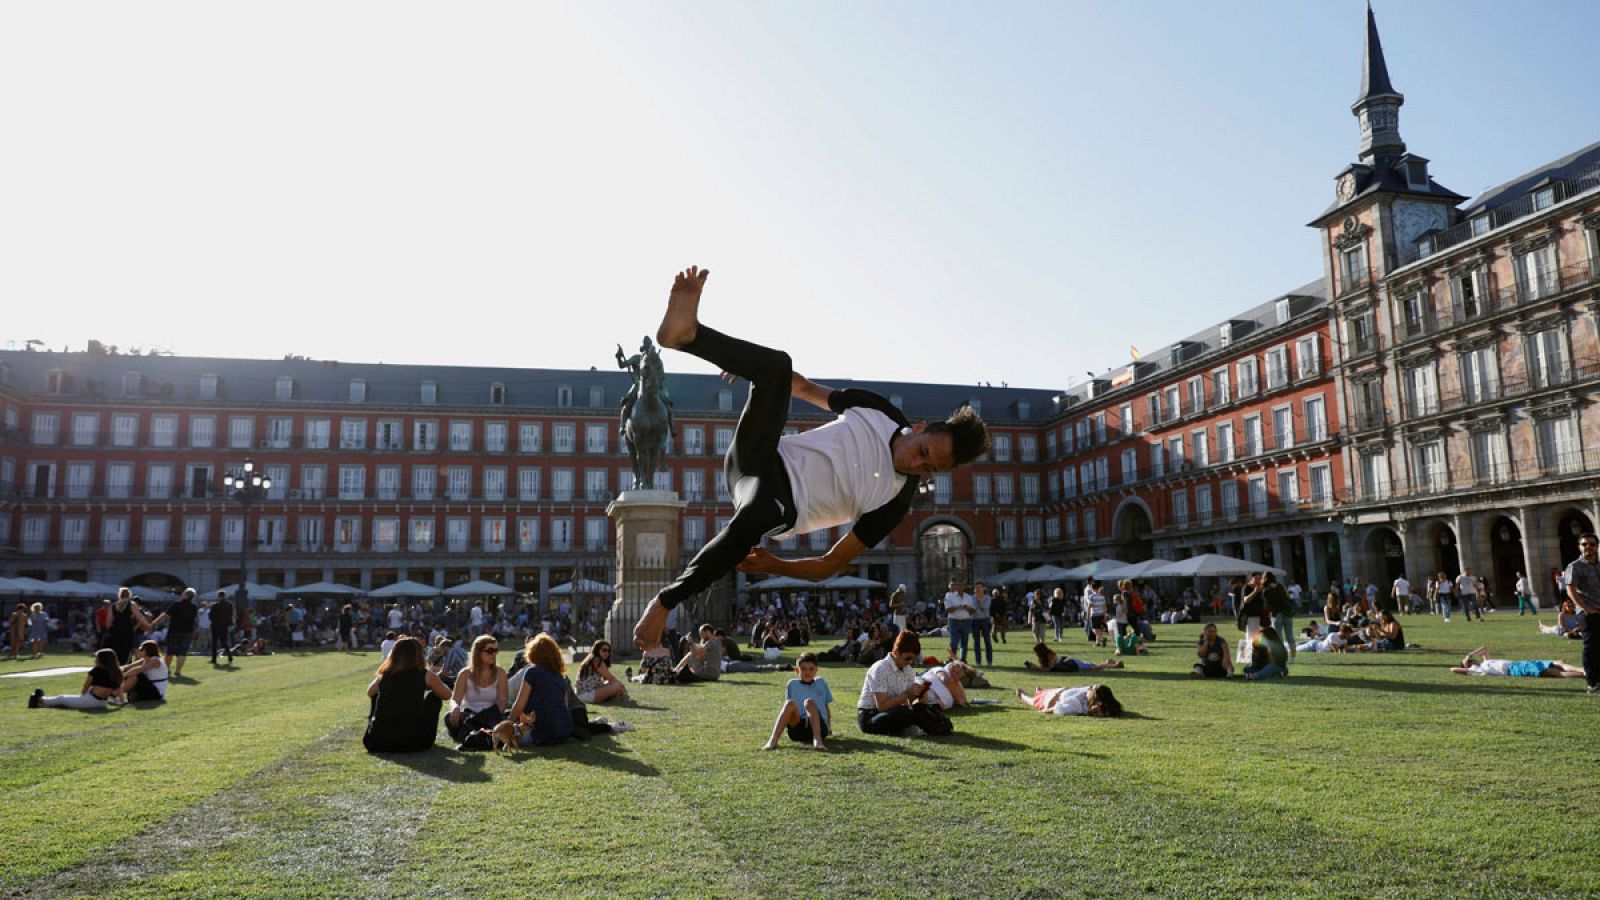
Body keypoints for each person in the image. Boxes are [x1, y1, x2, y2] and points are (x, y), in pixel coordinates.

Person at [633, 267, 990, 651]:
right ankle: (688, 335)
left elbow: (829, 564)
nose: (918, 467)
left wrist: (775, 565)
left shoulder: (894, 502)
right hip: (758, 457)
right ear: (918, 428)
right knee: (778, 366)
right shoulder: (879, 410)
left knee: (757, 515)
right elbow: (801, 387)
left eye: (929, 470)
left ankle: (664, 602)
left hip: (779, 504)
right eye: (923, 454)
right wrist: (745, 362)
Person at [364, 636, 452, 753]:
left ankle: (377, 728)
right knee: (434, 697)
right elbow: (447, 695)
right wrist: (434, 682)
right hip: (414, 743)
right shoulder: (426, 675)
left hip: (376, 742)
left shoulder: (384, 676)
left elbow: (370, 692)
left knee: (376, 694)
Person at [507, 633, 575, 746]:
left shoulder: (532, 672)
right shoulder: (560, 677)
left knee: (504, 736)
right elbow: (564, 707)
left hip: (540, 734)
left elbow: (519, 706)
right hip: (563, 732)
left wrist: (507, 724)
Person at [857, 631, 928, 735]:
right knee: (904, 713)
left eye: (913, 659)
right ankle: (906, 728)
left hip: (893, 711)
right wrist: (908, 694)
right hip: (871, 715)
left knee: (921, 709)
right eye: (908, 658)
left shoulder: (907, 669)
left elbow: (908, 701)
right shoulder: (880, 668)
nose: (910, 662)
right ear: (897, 652)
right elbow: (881, 706)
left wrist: (918, 696)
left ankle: (905, 728)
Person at [763, 651, 834, 751]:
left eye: (811, 669)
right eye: (803, 669)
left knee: (809, 702)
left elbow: (826, 706)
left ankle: (817, 741)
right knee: (789, 703)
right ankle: (773, 740)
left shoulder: (821, 682)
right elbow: (789, 712)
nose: (807, 672)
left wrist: (829, 727)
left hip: (819, 727)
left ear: (816, 670)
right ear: (797, 670)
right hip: (798, 730)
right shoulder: (792, 684)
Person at [445, 635, 508, 742]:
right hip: (468, 714)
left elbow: (503, 701)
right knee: (449, 717)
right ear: (478, 653)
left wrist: (487, 717)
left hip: (490, 717)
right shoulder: (465, 673)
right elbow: (455, 699)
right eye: (489, 651)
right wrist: (455, 708)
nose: (493, 654)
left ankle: (469, 735)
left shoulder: (500, 673)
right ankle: (473, 735)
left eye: (495, 650)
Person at [1563, 532, 1600, 694]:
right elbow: (1571, 591)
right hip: (1589, 614)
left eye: (1591, 544)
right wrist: (1586, 609)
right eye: (1584, 544)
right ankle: (1593, 683)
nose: (1588, 547)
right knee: (1591, 648)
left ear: (1597, 547)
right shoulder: (1575, 566)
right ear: (1579, 547)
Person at [29, 649, 125, 710]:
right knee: (64, 702)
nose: (95, 660)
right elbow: (119, 690)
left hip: (90, 701)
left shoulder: (96, 671)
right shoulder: (117, 672)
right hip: (102, 703)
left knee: (62, 698)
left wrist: (82, 699)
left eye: (97, 658)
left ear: (102, 660)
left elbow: (84, 689)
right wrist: (122, 702)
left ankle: (40, 700)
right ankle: (43, 704)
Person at [1450, 646, 1586, 678]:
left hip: (1519, 663)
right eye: (1471, 661)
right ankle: (1583, 674)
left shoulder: (1486, 662)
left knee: (1557, 662)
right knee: (1553, 672)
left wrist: (1470, 654)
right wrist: (1465, 664)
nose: (1473, 660)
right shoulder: (1477, 670)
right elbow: (1453, 669)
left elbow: (1485, 648)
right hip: (1514, 670)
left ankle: (1582, 670)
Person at [149, 589, 198, 676]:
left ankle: (166, 670)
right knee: (182, 652)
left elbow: (165, 616)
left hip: (174, 630)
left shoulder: (176, 605)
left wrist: (154, 622)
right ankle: (178, 671)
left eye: (183, 593)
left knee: (169, 652)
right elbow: (194, 620)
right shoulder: (194, 607)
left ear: (186, 595)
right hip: (187, 631)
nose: (181, 594)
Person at [106, 588, 153, 664]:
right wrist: (148, 625)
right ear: (130, 595)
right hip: (127, 631)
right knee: (126, 652)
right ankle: (124, 669)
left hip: (115, 631)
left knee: (115, 652)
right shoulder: (131, 604)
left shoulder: (113, 606)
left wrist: (110, 630)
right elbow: (139, 617)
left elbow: (108, 622)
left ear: (119, 595)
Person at [1016, 684, 1123, 717]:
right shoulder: (1088, 696)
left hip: (1050, 698)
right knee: (1042, 692)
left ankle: (1023, 696)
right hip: (1058, 692)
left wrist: (1044, 709)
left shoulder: (1076, 704)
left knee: (1034, 700)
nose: (1089, 688)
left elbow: (1056, 708)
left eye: (1092, 688)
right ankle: (1040, 691)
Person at [574, 640, 628, 704]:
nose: (606, 653)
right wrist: (623, 688)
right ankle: (620, 698)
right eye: (604, 650)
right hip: (586, 695)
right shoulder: (596, 660)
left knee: (611, 684)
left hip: (586, 693)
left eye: (608, 651)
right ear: (597, 650)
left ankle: (616, 698)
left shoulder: (592, 658)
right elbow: (611, 678)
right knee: (616, 685)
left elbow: (608, 680)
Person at [1025, 642, 1124, 673]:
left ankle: (1115, 665)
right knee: (1092, 666)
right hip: (1070, 661)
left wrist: (1038, 668)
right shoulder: (1045, 656)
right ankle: (1108, 662)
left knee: (1094, 667)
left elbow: (1051, 668)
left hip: (1071, 663)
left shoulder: (1049, 655)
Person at [943, 577, 976, 662]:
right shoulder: (949, 596)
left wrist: (967, 607)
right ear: (956, 586)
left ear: (964, 587)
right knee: (954, 642)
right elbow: (947, 609)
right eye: (958, 585)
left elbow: (973, 610)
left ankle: (963, 659)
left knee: (964, 642)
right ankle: (951, 659)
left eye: (962, 585)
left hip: (966, 621)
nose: (960, 587)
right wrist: (958, 607)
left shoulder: (969, 597)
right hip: (954, 621)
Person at [970, 579, 994, 667]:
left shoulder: (988, 597)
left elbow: (985, 607)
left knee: (987, 641)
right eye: (976, 588)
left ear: (983, 588)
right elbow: (972, 609)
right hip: (974, 620)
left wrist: (978, 603)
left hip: (985, 620)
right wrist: (977, 606)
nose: (978, 589)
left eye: (979, 587)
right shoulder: (971, 598)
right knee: (976, 641)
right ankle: (978, 661)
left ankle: (989, 661)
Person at [210, 591, 236, 664]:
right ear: (225, 596)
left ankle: (214, 659)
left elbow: (211, 616)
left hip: (215, 625)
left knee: (214, 642)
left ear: (219, 596)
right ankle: (229, 656)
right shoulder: (229, 605)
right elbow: (230, 615)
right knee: (224, 642)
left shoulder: (215, 605)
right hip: (225, 626)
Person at [1083, 580, 1109, 648]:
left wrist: (1088, 615)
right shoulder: (1102, 597)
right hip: (1101, 614)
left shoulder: (1091, 596)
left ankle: (1102, 638)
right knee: (1099, 628)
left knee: (1094, 628)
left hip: (1094, 614)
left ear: (1092, 588)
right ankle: (1097, 642)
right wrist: (1105, 615)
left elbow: (1089, 606)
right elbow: (1105, 606)